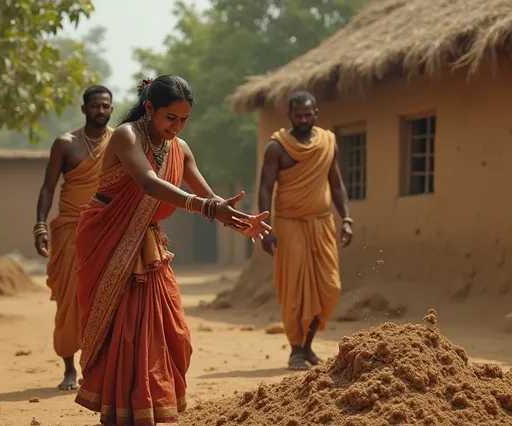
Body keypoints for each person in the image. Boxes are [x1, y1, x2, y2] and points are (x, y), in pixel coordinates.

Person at [73, 75, 270, 425]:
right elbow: (149, 183)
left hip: (146, 242)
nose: (177, 127)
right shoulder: (126, 136)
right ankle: (121, 412)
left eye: (183, 120)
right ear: (149, 109)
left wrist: (240, 221)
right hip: (107, 236)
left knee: (172, 331)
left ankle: (148, 407)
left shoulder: (180, 148)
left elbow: (211, 198)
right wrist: (208, 208)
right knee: (124, 330)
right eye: (170, 119)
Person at [258, 91, 353, 371]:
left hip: (323, 223)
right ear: (290, 116)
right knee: (295, 289)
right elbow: (265, 187)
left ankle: (309, 345)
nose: (302, 119)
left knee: (330, 287)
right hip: (289, 225)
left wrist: (347, 219)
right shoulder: (277, 147)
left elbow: (336, 184)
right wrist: (265, 229)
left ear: (316, 113)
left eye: (307, 114)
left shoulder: (328, 142)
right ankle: (296, 350)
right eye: (297, 115)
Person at [33, 85, 115, 390]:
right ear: (84, 109)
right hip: (69, 228)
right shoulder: (65, 144)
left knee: (106, 296)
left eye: (106, 106)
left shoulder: (119, 142)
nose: (101, 111)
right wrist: (40, 225)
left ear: (111, 108)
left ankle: (100, 366)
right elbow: (47, 187)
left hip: (106, 228)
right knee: (69, 298)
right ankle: (69, 369)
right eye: (95, 106)